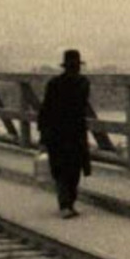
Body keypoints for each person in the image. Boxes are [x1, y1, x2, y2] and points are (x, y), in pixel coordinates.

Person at [37, 49, 92, 219]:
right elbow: (81, 108)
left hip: (58, 132)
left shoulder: (54, 83)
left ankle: (66, 204)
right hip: (74, 132)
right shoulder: (83, 83)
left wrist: (43, 134)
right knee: (73, 169)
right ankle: (68, 204)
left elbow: (45, 110)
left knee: (62, 169)